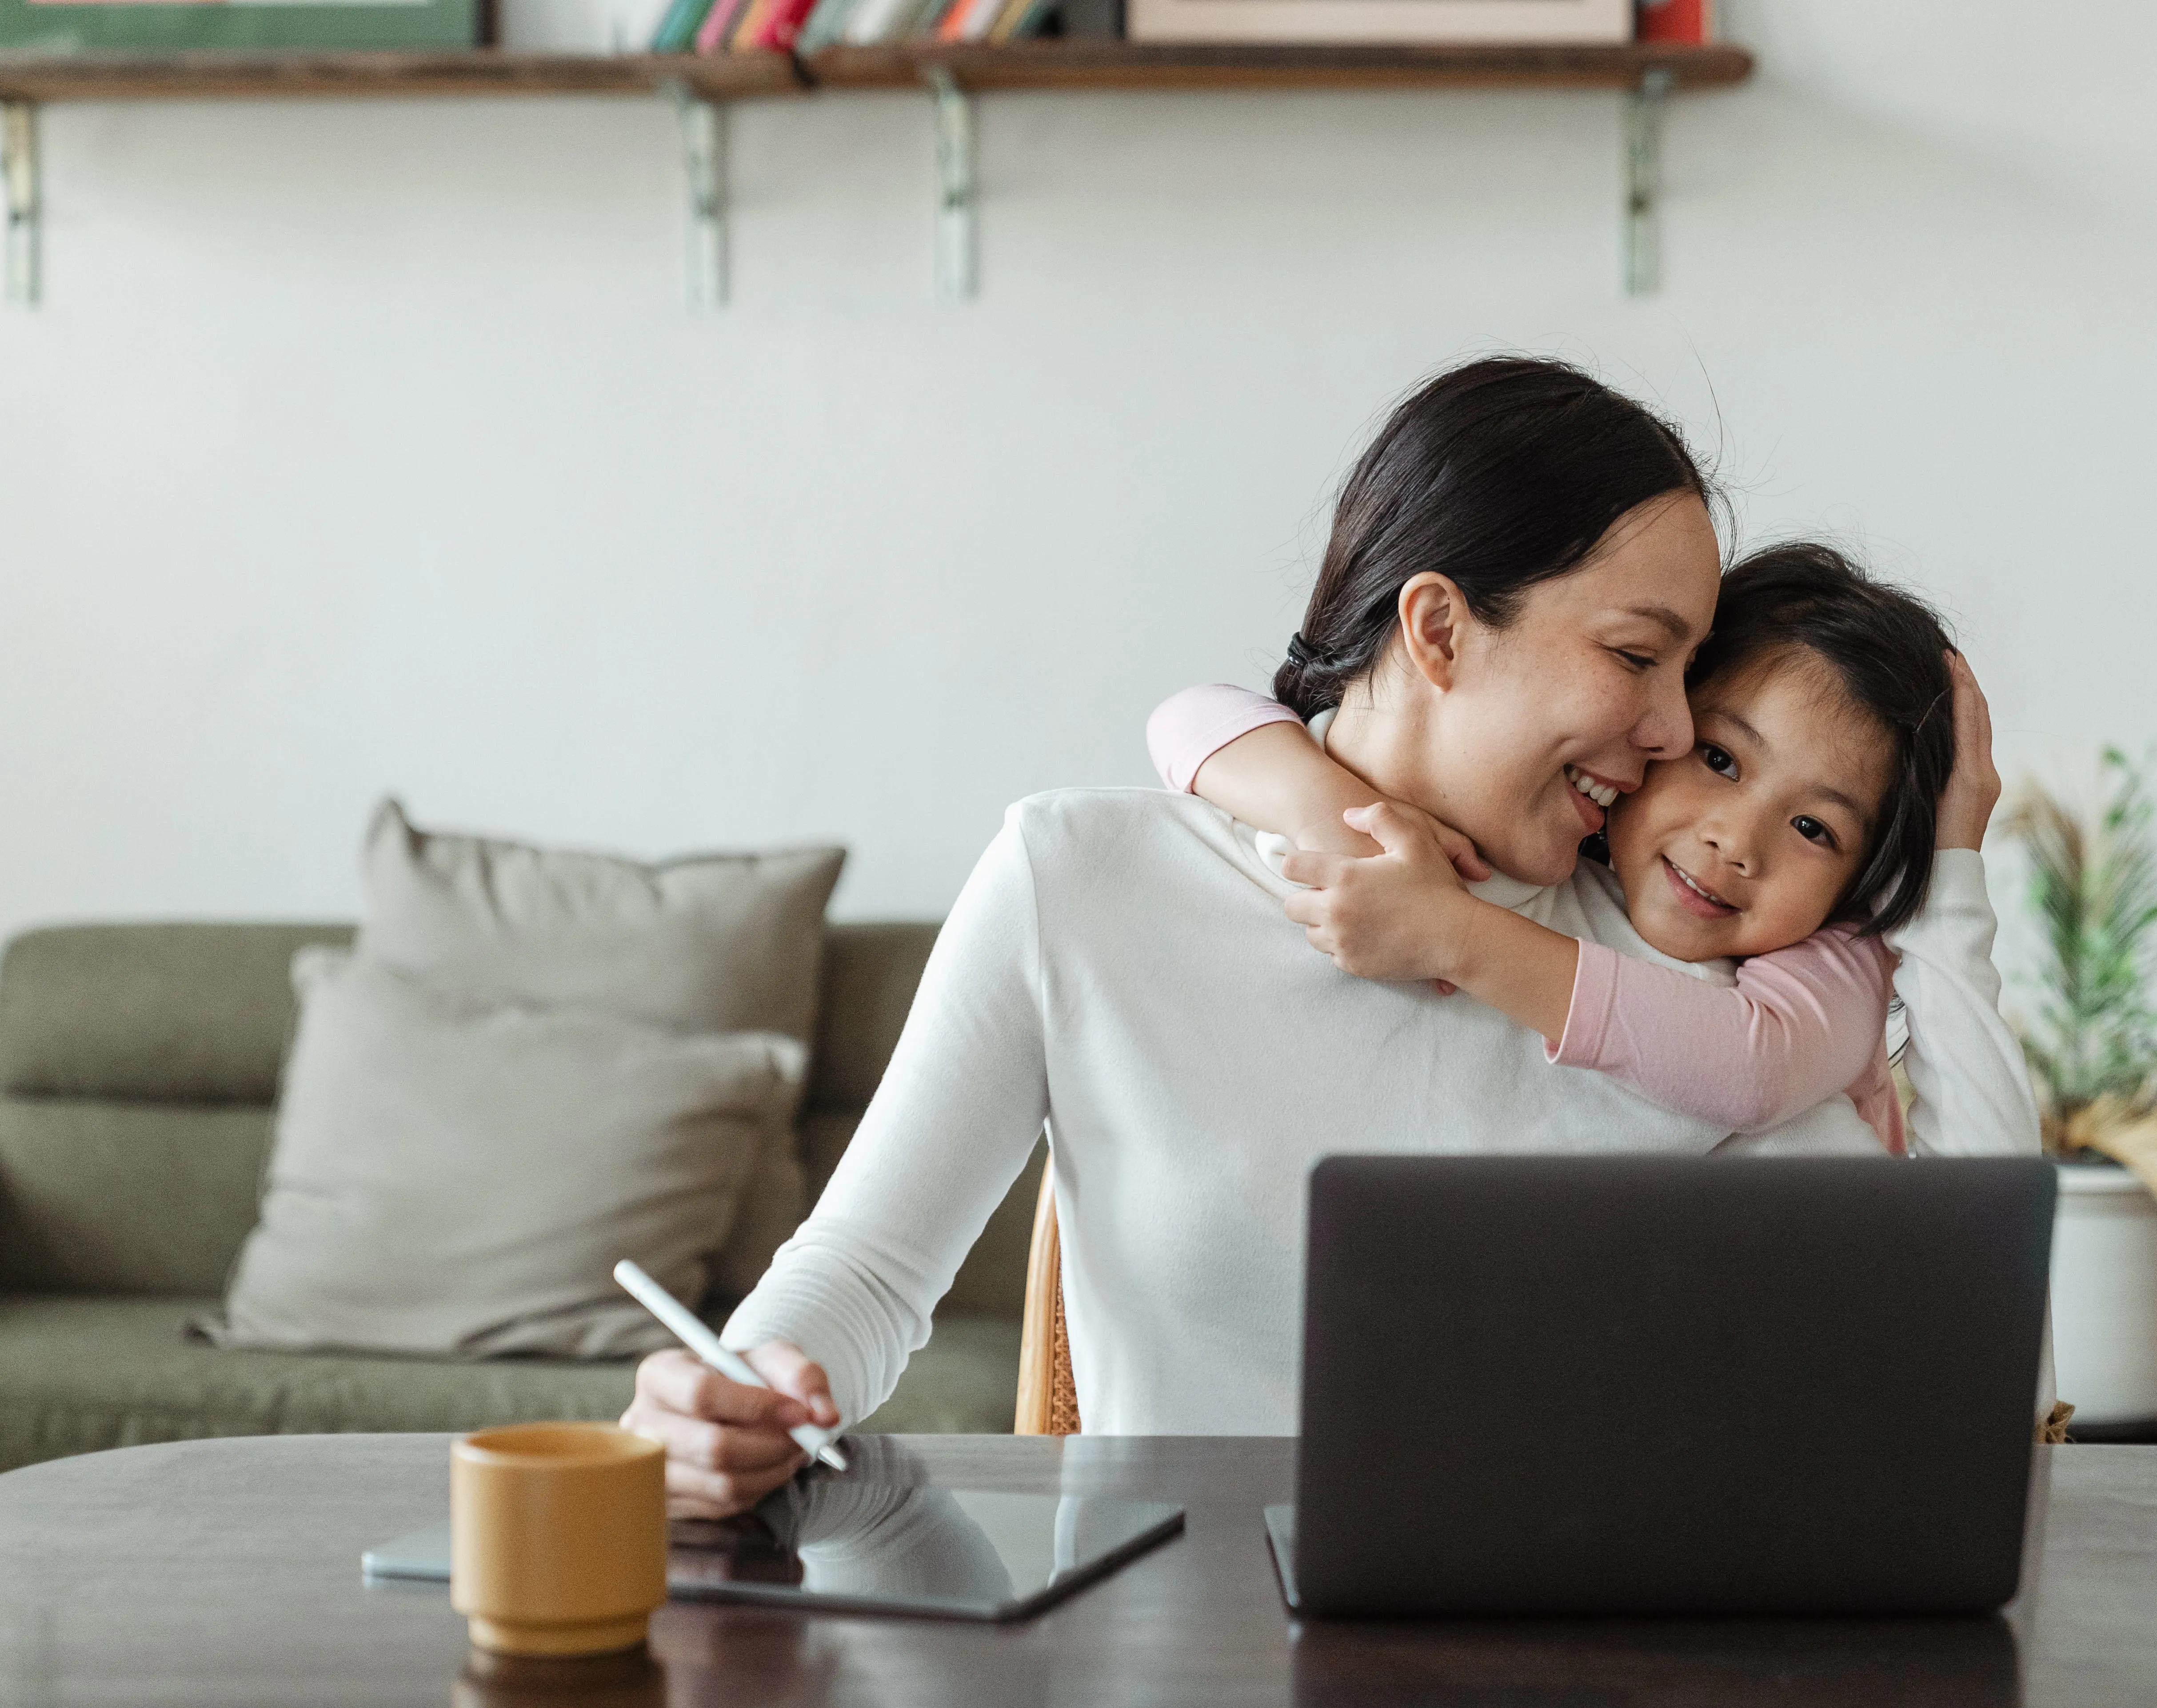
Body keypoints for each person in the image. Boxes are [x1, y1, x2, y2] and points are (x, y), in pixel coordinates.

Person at [622, 358, 2038, 1519]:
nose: (1672, 733)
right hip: (1171, 1663)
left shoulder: (1696, 982)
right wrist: (740, 1383)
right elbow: (866, 1275)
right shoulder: (1082, 880)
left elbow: (1961, 1343)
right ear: (1437, 628)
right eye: (1632, 656)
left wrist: (1953, 876)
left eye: (1688, 673)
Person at [1145, 543, 2013, 1155]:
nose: (1734, 840)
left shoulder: (1833, 954)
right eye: (1717, 758)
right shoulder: (1560, 847)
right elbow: (1188, 714)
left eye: (1813, 829)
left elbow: (1751, 1068)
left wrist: (1453, 933)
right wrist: (1334, 815)